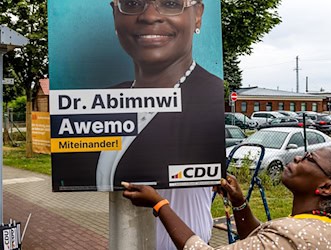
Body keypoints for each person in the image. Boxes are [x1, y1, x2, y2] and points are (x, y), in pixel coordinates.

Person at [52, 0, 224, 249]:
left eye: (170, 3)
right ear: (114, 15)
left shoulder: (207, 103)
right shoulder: (101, 104)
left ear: (197, 15)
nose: (150, 15)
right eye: (132, 2)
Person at [122, 146, 331, 250]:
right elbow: (261, 238)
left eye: (310, 159)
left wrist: (159, 204)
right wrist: (240, 204)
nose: (298, 157)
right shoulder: (326, 227)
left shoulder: (296, 233)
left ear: (327, 187)